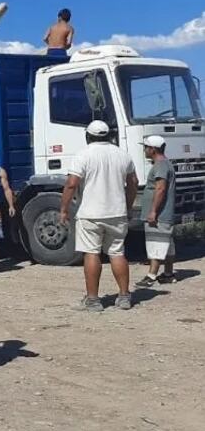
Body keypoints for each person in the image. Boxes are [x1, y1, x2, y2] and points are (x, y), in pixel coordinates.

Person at [59, 120, 138, 311]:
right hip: (117, 212)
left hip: (91, 214)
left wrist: (63, 209)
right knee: (117, 253)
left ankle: (93, 300)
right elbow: (133, 182)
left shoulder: (83, 155)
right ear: (109, 135)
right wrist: (127, 205)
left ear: (88, 136)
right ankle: (124, 296)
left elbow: (71, 183)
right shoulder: (122, 154)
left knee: (92, 253)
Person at [137, 135, 178, 287]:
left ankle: (151, 275)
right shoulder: (166, 164)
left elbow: (160, 189)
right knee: (167, 244)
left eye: (145, 147)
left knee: (156, 243)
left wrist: (153, 211)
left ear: (152, 149)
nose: (144, 150)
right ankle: (168, 273)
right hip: (165, 213)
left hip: (160, 214)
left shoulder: (160, 165)